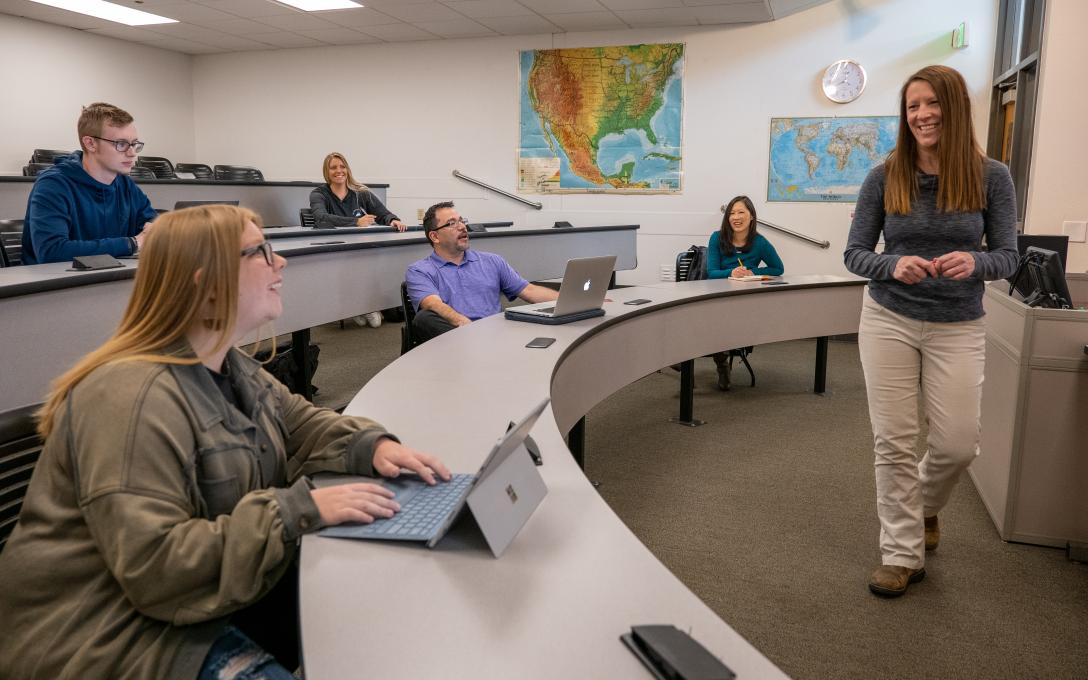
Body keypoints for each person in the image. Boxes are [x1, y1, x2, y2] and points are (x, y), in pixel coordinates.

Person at [0, 205, 451, 678]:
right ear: (205, 282)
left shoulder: (229, 364)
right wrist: (299, 509)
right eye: (261, 252)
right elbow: (158, 568)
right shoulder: (128, 396)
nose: (282, 263)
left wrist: (374, 447)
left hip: (190, 604)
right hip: (106, 638)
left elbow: (302, 424)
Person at [843, 65, 1017, 597]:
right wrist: (892, 265)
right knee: (893, 442)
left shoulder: (992, 176)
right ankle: (900, 553)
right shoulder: (884, 174)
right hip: (889, 318)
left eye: (931, 104)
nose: (921, 115)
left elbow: (1008, 256)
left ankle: (924, 508)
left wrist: (977, 262)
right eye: (913, 106)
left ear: (955, 107)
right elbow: (854, 254)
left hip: (958, 323)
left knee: (958, 444)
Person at [21, 102, 158, 265]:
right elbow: (52, 251)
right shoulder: (53, 185)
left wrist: (156, 231)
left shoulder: (125, 185)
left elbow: (153, 227)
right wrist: (132, 243)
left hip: (109, 278)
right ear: (90, 143)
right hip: (52, 285)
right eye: (121, 144)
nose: (132, 153)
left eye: (135, 144)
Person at [405, 201, 558, 343]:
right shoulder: (420, 270)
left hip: (496, 336)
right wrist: (469, 328)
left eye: (462, 221)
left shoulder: (492, 261)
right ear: (435, 236)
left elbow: (529, 290)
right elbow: (432, 304)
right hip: (458, 339)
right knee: (424, 318)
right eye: (452, 223)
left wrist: (570, 301)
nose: (462, 227)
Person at [310, 151, 405, 327]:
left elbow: (382, 213)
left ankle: (363, 305)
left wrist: (393, 219)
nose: (339, 171)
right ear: (326, 171)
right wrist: (356, 222)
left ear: (347, 169)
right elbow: (320, 218)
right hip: (334, 248)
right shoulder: (318, 194)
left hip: (361, 247)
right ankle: (359, 306)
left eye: (342, 166)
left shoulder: (361, 193)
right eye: (333, 167)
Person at [706, 195, 784, 389]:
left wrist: (752, 271)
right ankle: (720, 363)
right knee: (713, 319)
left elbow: (777, 268)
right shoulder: (717, 238)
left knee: (721, 321)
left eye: (741, 212)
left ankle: (718, 361)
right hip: (719, 296)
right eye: (732, 213)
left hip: (744, 300)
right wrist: (730, 272)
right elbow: (711, 273)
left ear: (751, 217)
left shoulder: (760, 242)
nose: (736, 217)